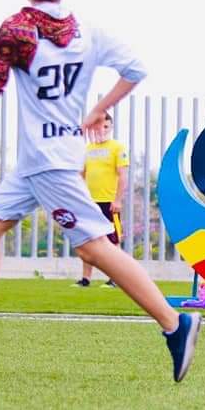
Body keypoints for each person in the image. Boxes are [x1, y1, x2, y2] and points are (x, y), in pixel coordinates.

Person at [0, 0, 200, 382]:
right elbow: (136, 69)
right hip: (41, 159)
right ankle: (174, 324)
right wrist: (99, 107)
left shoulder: (18, 30)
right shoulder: (88, 32)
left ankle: (175, 324)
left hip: (49, 162)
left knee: (93, 247)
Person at [73, 112, 127, 288]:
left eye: (106, 126)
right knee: (88, 239)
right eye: (99, 126)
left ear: (110, 128)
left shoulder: (117, 148)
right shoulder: (87, 149)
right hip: (89, 202)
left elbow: (122, 176)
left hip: (109, 202)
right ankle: (85, 279)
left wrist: (117, 200)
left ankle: (115, 278)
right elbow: (81, 176)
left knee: (113, 240)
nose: (102, 130)